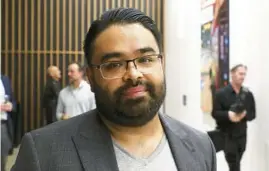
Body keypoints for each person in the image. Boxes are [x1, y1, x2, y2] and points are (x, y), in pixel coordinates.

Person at [12, 8, 216, 171]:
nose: (134, 74)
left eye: (145, 59)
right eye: (114, 64)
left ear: (161, 64)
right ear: (90, 77)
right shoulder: (43, 152)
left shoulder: (200, 146)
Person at [211, 64, 256, 171]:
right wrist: (228, 115)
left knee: (236, 163)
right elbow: (215, 113)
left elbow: (253, 114)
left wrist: (244, 115)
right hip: (227, 136)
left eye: (244, 74)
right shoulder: (221, 94)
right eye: (240, 73)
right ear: (232, 74)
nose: (242, 76)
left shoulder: (248, 94)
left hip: (242, 136)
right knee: (234, 165)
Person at [1, 75, 16, 171]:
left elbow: (12, 100)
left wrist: (11, 105)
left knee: (3, 160)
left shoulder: (5, 80)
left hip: (3, 125)